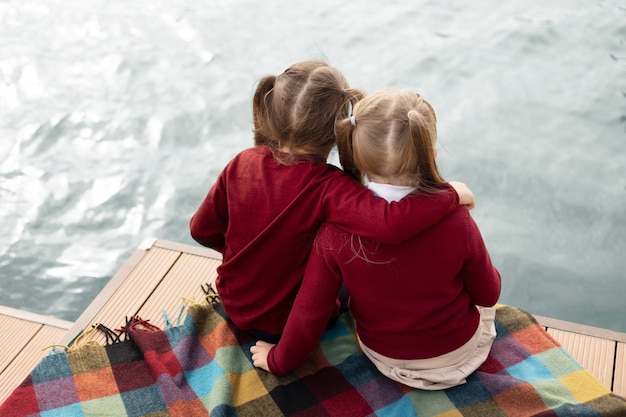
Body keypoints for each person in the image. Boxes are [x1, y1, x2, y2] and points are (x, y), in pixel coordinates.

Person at [190, 62, 475, 343]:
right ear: (338, 132)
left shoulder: (242, 161)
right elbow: (392, 224)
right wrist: (450, 194)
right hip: (284, 324)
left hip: (233, 303)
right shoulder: (330, 186)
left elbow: (201, 230)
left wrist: (253, 258)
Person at [250, 88, 501, 390]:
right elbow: (488, 294)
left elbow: (309, 312)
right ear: (430, 152)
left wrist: (277, 360)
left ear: (357, 154)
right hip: (459, 355)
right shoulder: (457, 219)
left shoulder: (334, 233)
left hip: (384, 357)